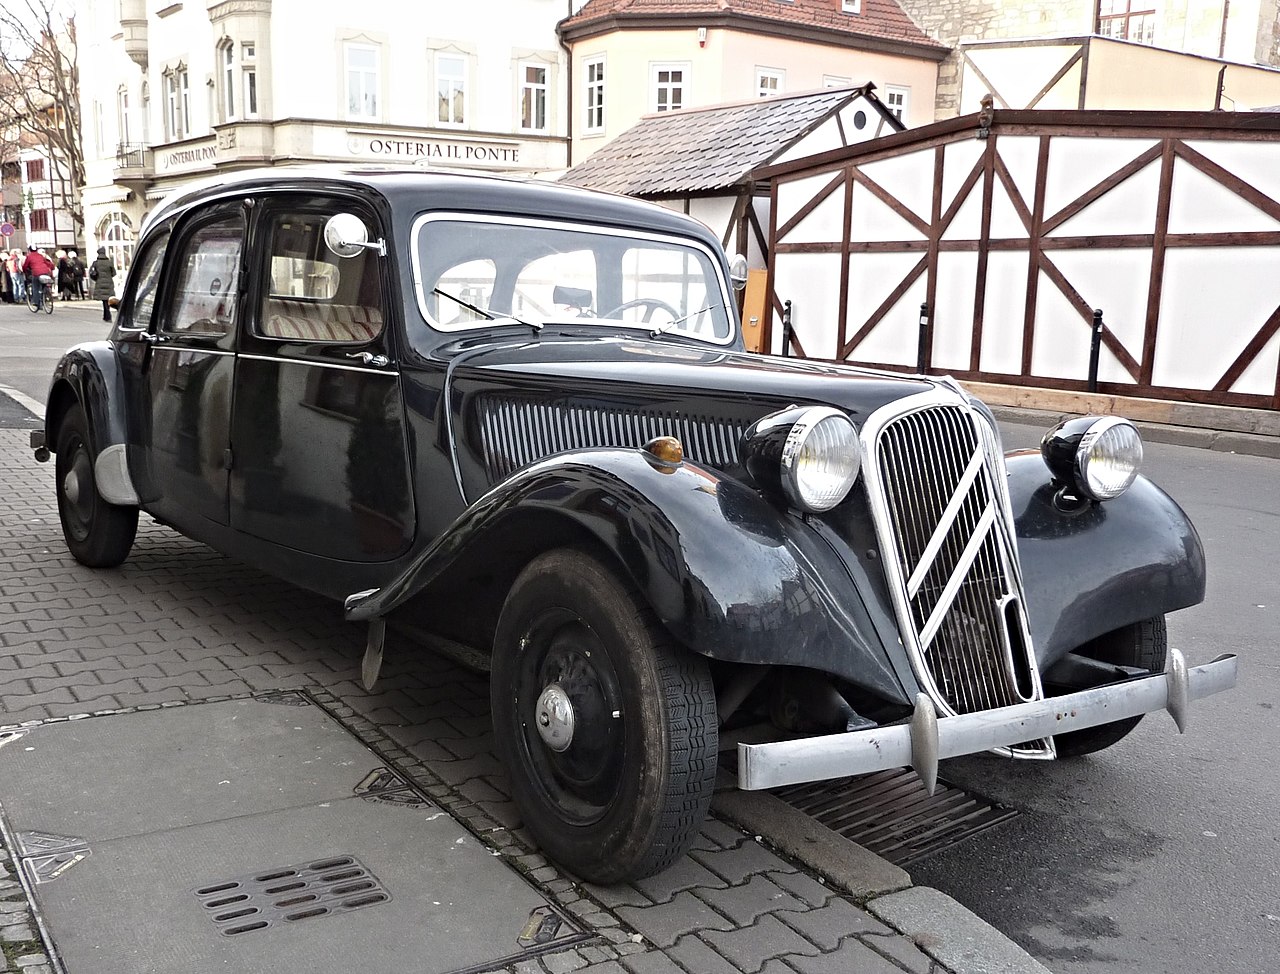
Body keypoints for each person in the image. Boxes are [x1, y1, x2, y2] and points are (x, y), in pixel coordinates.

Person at [22, 245, 55, 311]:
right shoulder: (40, 256)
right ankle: (45, 295)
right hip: (45, 272)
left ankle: (36, 302)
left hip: (36, 273)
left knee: (35, 287)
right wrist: (52, 267)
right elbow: (47, 263)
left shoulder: (29, 257)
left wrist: (25, 270)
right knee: (44, 285)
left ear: (29, 250)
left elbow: (25, 266)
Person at [89, 246, 116, 322]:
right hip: (109, 283)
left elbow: (92, 273)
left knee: (104, 301)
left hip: (100, 282)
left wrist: (96, 279)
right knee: (108, 299)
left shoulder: (96, 263)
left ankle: (107, 316)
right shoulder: (109, 262)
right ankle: (107, 316)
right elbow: (114, 273)